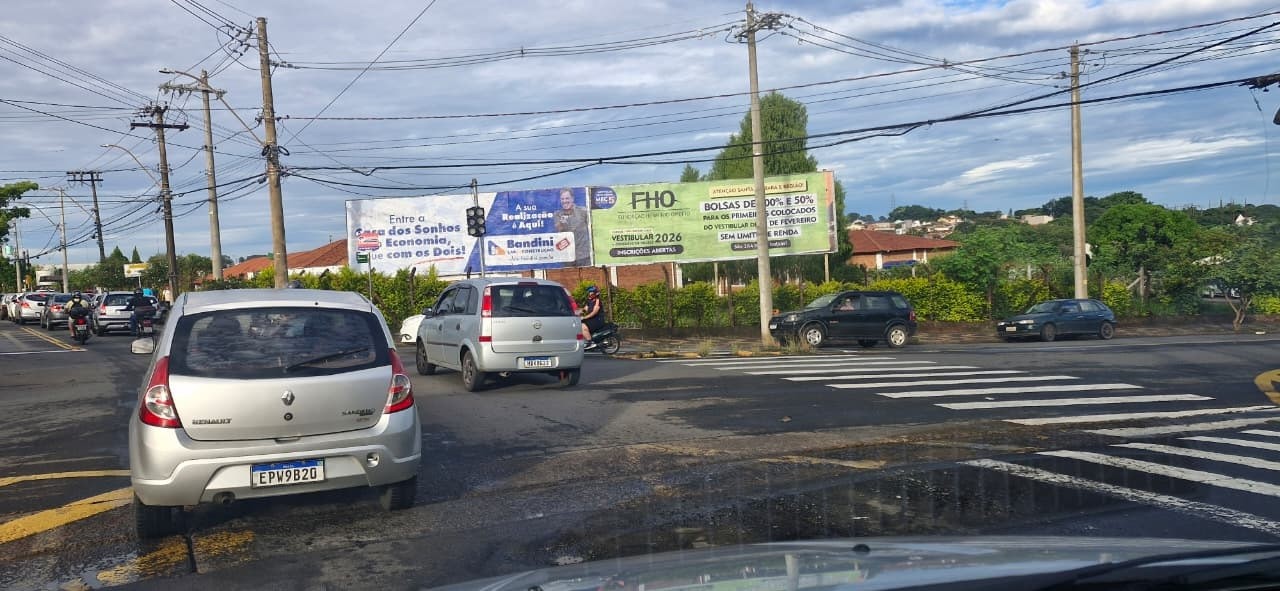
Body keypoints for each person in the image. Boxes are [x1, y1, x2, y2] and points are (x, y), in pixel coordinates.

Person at [553, 188, 592, 267]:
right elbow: (558, 230)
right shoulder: (557, 214)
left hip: (584, 256)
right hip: (568, 256)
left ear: (572, 198)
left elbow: (592, 228)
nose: (564, 201)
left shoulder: (583, 211)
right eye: (562, 199)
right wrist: (561, 223)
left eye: (567, 198)